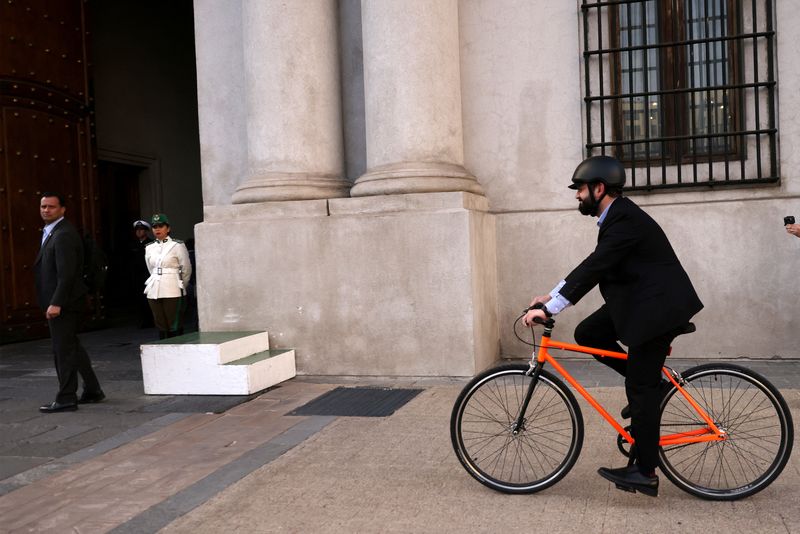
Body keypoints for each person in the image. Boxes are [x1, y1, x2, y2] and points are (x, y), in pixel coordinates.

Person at [523, 155, 703, 497]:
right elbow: (595, 264)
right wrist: (552, 295)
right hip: (642, 303)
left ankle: (644, 471)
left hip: (658, 311)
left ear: (599, 188)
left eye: (580, 189)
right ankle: (655, 385)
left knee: (640, 389)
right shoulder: (617, 217)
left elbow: (596, 266)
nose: (577, 195)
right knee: (589, 333)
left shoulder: (624, 221)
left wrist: (551, 306)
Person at [34, 192, 105, 413]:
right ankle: (93, 390)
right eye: (43, 206)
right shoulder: (53, 231)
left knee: (62, 351)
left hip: (64, 302)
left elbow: (67, 274)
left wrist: (56, 303)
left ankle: (66, 397)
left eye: (51, 207)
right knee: (71, 346)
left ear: (63, 209)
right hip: (64, 300)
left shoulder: (63, 234)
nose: (46, 210)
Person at [144, 213, 192, 339]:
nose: (157, 229)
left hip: (172, 287)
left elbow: (186, 269)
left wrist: (181, 285)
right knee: (160, 323)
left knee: (173, 323)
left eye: (161, 226)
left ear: (168, 228)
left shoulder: (177, 245)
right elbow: (151, 268)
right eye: (155, 227)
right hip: (155, 288)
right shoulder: (149, 247)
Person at [131, 220, 154, 327]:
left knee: (149, 299)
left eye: (141, 230)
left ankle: (151, 320)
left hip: (147, 275)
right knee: (139, 299)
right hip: (137, 276)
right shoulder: (133, 244)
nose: (139, 232)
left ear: (146, 231)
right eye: (137, 230)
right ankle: (143, 320)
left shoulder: (151, 244)